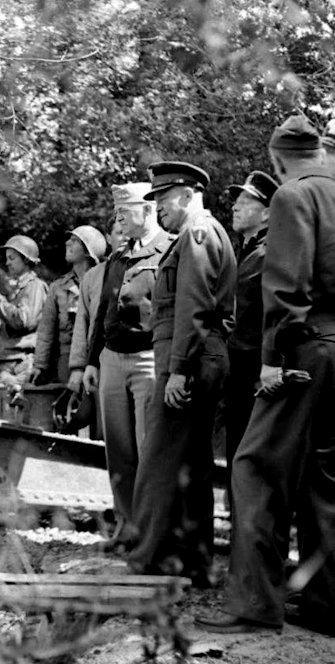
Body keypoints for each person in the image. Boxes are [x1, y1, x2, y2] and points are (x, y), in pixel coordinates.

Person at [197, 116, 335, 633]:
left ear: (278, 157)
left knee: (254, 469)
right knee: (325, 481)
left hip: (304, 350)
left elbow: (287, 288)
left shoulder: (294, 196)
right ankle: (326, 605)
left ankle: (255, 605)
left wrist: (273, 360)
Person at [127, 161, 236, 587]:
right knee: (191, 465)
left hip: (187, 362)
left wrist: (177, 372)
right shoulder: (199, 235)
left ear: (187, 196)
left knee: (160, 459)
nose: (158, 211)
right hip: (195, 358)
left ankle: (147, 557)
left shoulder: (196, 235)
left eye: (163, 201)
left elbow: (192, 308)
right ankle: (194, 562)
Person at [83, 182, 173, 550]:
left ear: (148, 210)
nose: (118, 218)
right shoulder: (119, 257)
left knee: (148, 449)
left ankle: (154, 533)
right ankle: (127, 527)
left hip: (148, 359)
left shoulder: (169, 249)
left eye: (125, 211)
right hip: (111, 359)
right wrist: (92, 360)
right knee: (118, 450)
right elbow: (103, 310)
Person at [223, 171, 278, 484]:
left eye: (246, 201)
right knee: (236, 447)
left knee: (253, 452)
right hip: (238, 366)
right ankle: (238, 523)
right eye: (236, 201)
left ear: (267, 212)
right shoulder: (241, 250)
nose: (235, 207)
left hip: (259, 367)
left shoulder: (272, 253)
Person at [67, 219, 126, 439]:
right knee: (103, 429)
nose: (125, 237)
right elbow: (82, 324)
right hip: (99, 362)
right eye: (119, 233)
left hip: (134, 359)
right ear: (109, 238)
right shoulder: (93, 277)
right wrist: (78, 367)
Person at [31, 226, 106, 385]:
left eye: (74, 241)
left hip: (102, 356)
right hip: (67, 358)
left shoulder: (105, 281)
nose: (67, 244)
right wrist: (39, 365)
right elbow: (46, 331)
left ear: (88, 250)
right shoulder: (58, 287)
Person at [0, 235, 48, 389]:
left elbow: (23, 321)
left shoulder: (35, 286)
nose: (7, 262)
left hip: (16, 366)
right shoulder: (14, 290)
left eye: (12, 258)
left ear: (26, 260)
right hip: (0, 362)